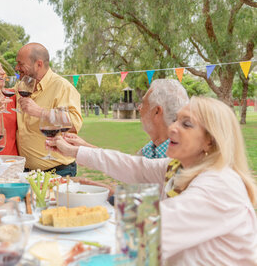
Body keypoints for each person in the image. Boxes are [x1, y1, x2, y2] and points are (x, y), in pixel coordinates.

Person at [46, 96, 257, 264]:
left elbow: (144, 233)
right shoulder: (178, 168)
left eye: (187, 124)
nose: (173, 127)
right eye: (176, 119)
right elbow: (133, 166)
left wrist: (63, 241)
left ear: (210, 141)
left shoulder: (219, 185)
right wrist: (75, 151)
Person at [73, 79, 189, 159]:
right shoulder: (150, 150)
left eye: (143, 103)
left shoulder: (184, 157)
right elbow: (126, 165)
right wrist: (84, 147)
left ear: (157, 112)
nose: (139, 108)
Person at [14, 43, 83, 175]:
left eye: (21, 63)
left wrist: (40, 112)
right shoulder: (21, 86)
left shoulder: (62, 87)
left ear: (38, 64)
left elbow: (74, 123)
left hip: (58, 171)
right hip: (26, 173)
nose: (17, 68)